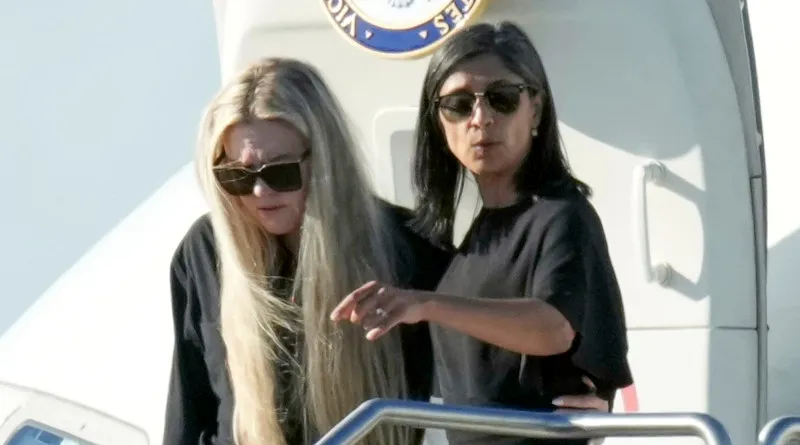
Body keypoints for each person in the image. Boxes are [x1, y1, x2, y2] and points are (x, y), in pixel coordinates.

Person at [332, 21, 633, 445]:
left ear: (536, 110)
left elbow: (554, 328)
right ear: (438, 122)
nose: (480, 118)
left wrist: (427, 304)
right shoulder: (469, 237)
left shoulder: (562, 216)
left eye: (502, 98)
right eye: (457, 105)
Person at [162, 57, 449, 445]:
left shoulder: (411, 248)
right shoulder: (204, 252)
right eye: (238, 176)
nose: (260, 192)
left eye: (280, 171)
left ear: (325, 158)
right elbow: (188, 410)